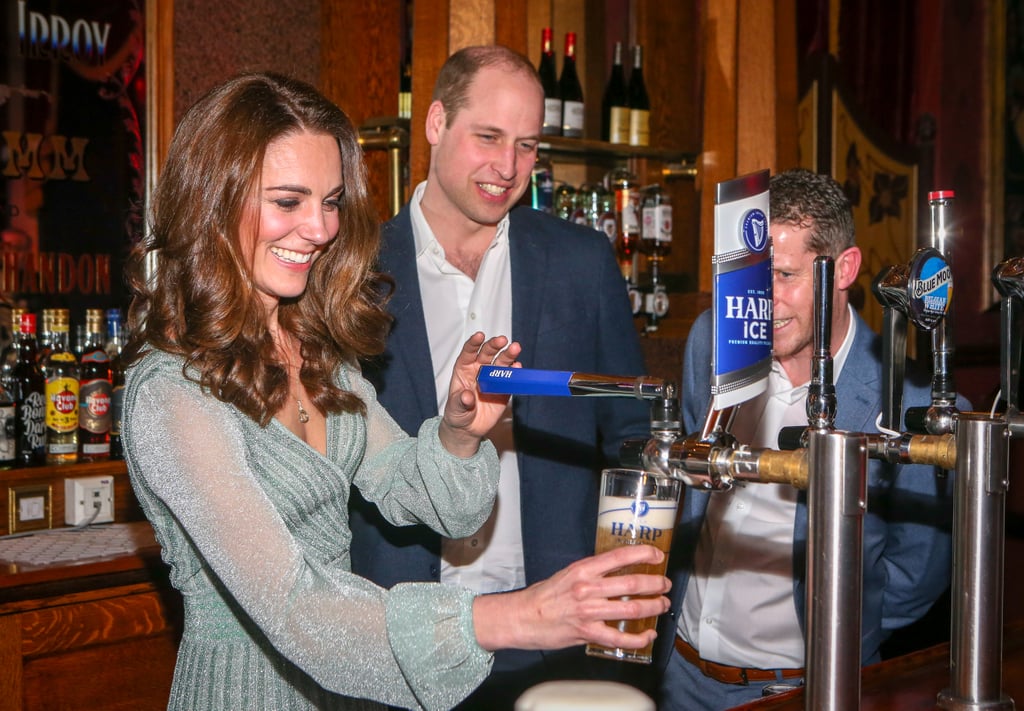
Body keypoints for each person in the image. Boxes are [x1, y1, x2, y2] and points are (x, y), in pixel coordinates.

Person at [120, 71, 672, 711]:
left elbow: (430, 499)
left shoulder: (316, 350)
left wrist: (461, 433)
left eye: (330, 202)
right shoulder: (169, 393)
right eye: (288, 201)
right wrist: (515, 616)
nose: (321, 228)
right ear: (212, 202)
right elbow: (298, 607)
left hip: (344, 692)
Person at [348, 45, 653, 708]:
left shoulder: (581, 261)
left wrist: (624, 583)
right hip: (405, 638)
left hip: (554, 637)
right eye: (488, 138)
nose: (508, 168)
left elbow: (630, 435)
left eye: (527, 146)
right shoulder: (354, 272)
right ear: (435, 122)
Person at [655, 168, 963, 710]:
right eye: (750, 276)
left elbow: (917, 576)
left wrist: (841, 632)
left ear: (845, 269)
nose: (762, 300)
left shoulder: (910, 404)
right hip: (681, 672)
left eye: (784, 276)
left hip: (803, 688)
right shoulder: (712, 337)